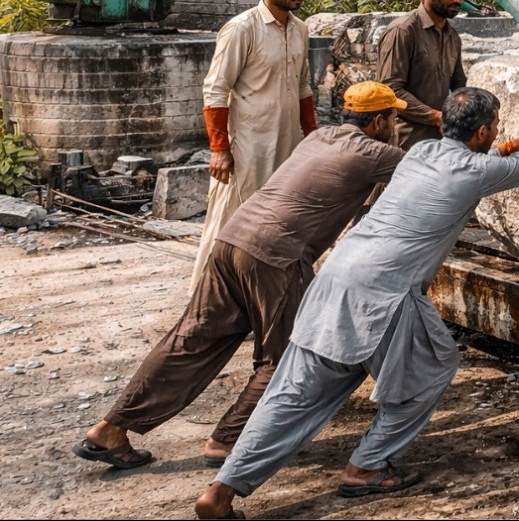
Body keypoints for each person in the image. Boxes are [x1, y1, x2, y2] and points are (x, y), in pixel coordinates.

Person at [195, 87, 519, 519]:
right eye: (495, 127)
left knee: (293, 392)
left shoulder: (421, 151)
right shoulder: (473, 172)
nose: (498, 133)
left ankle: (221, 490)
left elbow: (506, 151)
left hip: (337, 275)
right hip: (384, 290)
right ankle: (366, 467)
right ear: (482, 130)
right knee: (433, 369)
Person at [73, 82, 408, 471]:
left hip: (232, 239)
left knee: (192, 338)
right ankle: (229, 439)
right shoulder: (375, 152)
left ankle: (111, 429)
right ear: (380, 120)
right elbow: (438, 170)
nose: (397, 125)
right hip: (276, 255)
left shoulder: (320, 138)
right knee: (284, 357)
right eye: (395, 118)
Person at [191, 0, 317, 290]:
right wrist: (219, 149)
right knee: (227, 226)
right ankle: (204, 301)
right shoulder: (241, 29)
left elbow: (304, 86)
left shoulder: (301, 29)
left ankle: (260, 300)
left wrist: (313, 137)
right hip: (247, 146)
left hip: (288, 144)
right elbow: (216, 91)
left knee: (278, 224)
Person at [378, 0, 470, 150]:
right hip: (404, 143)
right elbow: (390, 90)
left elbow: (459, 85)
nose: (458, 0)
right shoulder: (403, 31)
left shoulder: (453, 37)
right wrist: (436, 117)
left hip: (439, 143)